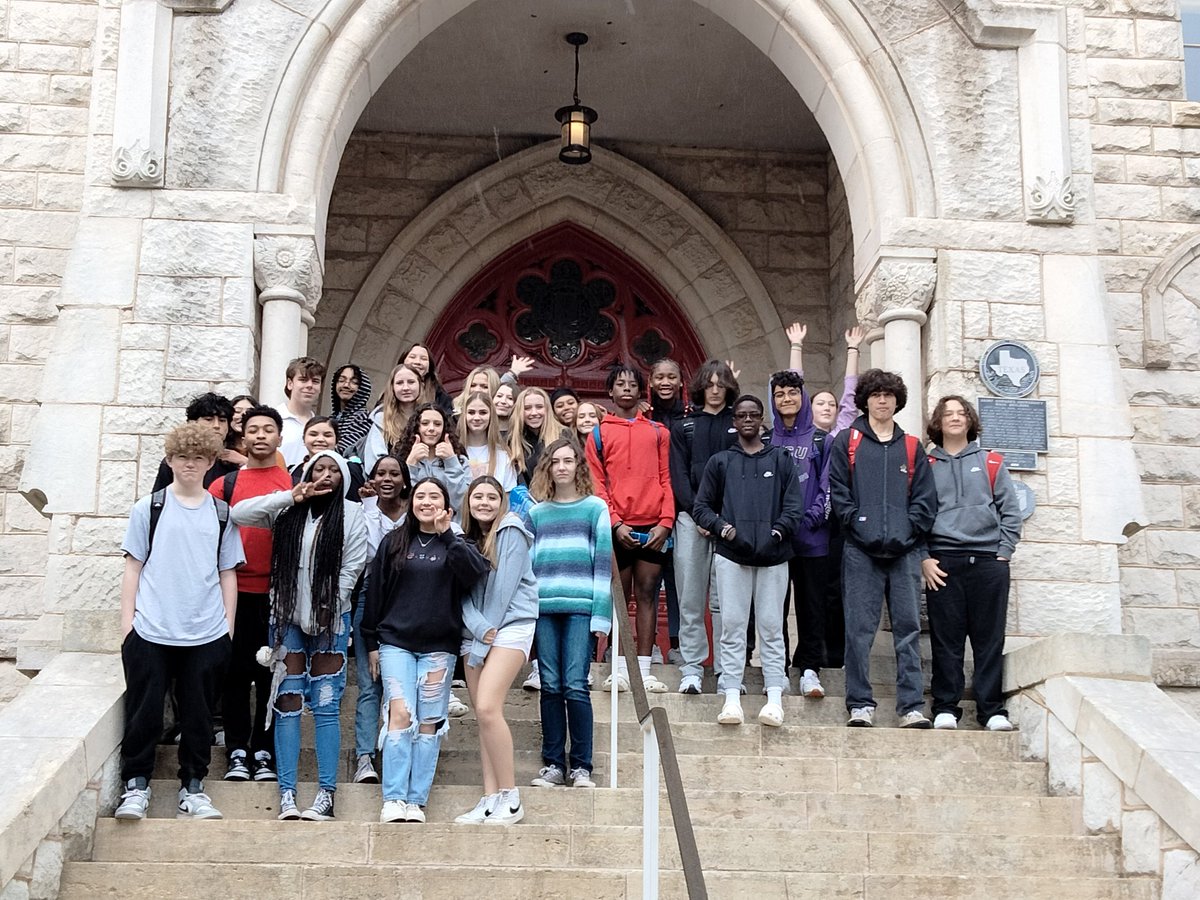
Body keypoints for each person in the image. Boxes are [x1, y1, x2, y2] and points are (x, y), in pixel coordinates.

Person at [114, 422, 244, 822]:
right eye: (183, 457)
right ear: (170, 460)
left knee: (199, 715)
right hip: (151, 628)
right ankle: (135, 786)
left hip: (206, 631)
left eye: (199, 458)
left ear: (209, 463)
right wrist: (127, 627)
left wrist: (227, 628)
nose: (190, 464)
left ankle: (193, 788)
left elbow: (227, 573)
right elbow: (133, 567)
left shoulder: (222, 513)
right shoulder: (148, 507)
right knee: (144, 712)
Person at [229, 450, 368, 820]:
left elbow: (353, 568)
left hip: (330, 622)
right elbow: (238, 514)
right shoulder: (287, 510)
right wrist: (290, 495)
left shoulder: (353, 515)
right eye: (317, 469)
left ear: (343, 479)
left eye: (332, 471)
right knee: (286, 704)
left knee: (325, 706)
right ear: (306, 473)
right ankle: (287, 794)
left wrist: (326, 610)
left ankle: (326, 794)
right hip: (285, 619)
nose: (325, 476)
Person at [363, 477, 490, 824]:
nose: (426, 501)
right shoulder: (394, 542)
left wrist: (447, 533)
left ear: (447, 505)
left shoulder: (457, 542)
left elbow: (475, 574)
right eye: (420, 496)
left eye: (435, 496)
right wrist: (371, 642)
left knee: (429, 723)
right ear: (411, 502)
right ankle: (393, 798)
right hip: (395, 643)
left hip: (439, 646)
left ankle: (416, 800)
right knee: (400, 715)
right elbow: (375, 595)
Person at [828, 369, 937, 729]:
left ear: (897, 400)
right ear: (866, 400)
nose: (882, 400)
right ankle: (859, 703)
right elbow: (839, 493)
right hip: (860, 551)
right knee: (859, 630)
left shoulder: (911, 446)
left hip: (905, 553)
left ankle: (911, 706)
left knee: (908, 630)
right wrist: (858, 524)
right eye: (876, 394)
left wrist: (910, 530)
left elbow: (925, 499)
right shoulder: (848, 440)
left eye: (889, 395)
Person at [693, 395, 803, 727]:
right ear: (734, 421)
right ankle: (730, 699)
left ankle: (774, 700)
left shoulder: (782, 460)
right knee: (733, 627)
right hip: (732, 556)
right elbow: (701, 507)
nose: (748, 420)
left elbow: (793, 507)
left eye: (754, 415)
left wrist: (777, 534)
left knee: (771, 627)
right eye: (741, 415)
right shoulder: (721, 462)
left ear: (762, 420)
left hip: (773, 558)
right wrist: (724, 530)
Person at [922, 395, 1022, 732]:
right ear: (938, 422)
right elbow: (917, 516)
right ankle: (946, 707)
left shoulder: (991, 461)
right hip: (944, 563)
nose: (954, 418)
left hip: (988, 563)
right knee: (945, 640)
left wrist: (1004, 550)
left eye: (960, 412)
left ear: (969, 420)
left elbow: (1010, 510)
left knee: (988, 639)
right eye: (947, 413)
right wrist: (924, 558)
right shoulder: (927, 465)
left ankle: (991, 710)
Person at [208, 406, 294, 784]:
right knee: (234, 675)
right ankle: (237, 750)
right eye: (253, 430)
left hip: (276, 595)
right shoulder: (222, 486)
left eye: (268, 430)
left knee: (270, 675)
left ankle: (264, 749)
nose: (260, 435)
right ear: (243, 438)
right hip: (233, 594)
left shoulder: (292, 482)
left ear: (279, 437)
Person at [527, 438, 613, 789]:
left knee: (575, 685)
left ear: (579, 466)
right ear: (547, 467)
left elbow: (603, 566)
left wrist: (601, 617)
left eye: (568, 461)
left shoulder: (596, 509)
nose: (562, 467)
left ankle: (581, 766)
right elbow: (526, 567)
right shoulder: (535, 513)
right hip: (543, 609)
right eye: (555, 461)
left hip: (581, 608)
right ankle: (552, 764)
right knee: (550, 686)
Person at [585, 364, 674, 693]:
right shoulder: (598, 433)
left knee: (648, 596)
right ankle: (620, 668)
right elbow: (596, 482)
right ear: (610, 392)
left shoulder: (658, 432)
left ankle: (645, 668)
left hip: (653, 526)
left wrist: (666, 523)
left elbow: (666, 478)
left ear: (641, 391)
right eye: (619, 384)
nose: (626, 389)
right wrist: (614, 522)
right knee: (619, 598)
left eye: (632, 384)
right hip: (617, 528)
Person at [455, 476, 538, 825]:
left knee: (488, 706)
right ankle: (489, 800)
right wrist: (476, 630)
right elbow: (457, 593)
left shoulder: (512, 530)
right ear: (468, 502)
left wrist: (483, 633)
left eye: (492, 497)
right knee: (484, 717)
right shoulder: (462, 539)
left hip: (510, 625)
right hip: (475, 630)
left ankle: (511, 796)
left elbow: (502, 592)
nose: (485, 503)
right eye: (478, 497)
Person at [769, 323, 832, 700]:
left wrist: (808, 519)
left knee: (811, 607)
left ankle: (809, 668)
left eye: (793, 392)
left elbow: (828, 488)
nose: (787, 398)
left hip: (812, 539)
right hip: (776, 541)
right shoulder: (765, 438)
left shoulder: (822, 439)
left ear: (802, 396)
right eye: (780, 393)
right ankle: (777, 668)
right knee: (776, 610)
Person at [670, 359, 740, 695]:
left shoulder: (739, 424)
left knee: (727, 601)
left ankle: (728, 671)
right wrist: (698, 514)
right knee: (691, 597)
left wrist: (721, 517)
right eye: (709, 385)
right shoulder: (684, 426)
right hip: (691, 520)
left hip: (730, 522)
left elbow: (742, 472)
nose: (714, 391)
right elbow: (679, 475)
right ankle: (692, 667)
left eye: (720, 384)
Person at [801, 325, 865, 669]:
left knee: (834, 590)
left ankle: (834, 654)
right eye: (820, 403)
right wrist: (797, 345)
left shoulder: (842, 434)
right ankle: (807, 653)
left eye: (830, 403)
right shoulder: (801, 437)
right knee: (810, 591)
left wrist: (852, 349)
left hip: (837, 522)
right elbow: (791, 385)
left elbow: (851, 398)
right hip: (809, 523)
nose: (827, 407)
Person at [351, 454, 411, 784]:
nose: (387, 478)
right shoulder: (364, 510)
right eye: (380, 473)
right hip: (369, 594)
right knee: (368, 682)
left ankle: (396, 752)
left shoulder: (414, 511)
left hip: (407, 597)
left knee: (399, 684)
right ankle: (364, 757)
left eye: (394, 473)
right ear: (372, 478)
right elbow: (363, 556)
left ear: (405, 479)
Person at [150, 392, 240, 491]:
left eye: (222, 420)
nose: (216, 425)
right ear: (193, 423)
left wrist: (244, 462)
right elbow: (159, 498)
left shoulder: (237, 459)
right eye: (209, 419)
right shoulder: (178, 459)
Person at [398, 403, 472, 518]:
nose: (431, 428)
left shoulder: (460, 461)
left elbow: (461, 504)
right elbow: (402, 502)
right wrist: (410, 465)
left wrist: (451, 462)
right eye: (425, 423)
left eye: (437, 424)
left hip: (450, 526)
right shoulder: (402, 459)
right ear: (416, 427)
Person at [363, 363, 423, 474]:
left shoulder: (428, 418)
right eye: (400, 383)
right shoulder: (382, 419)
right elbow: (374, 461)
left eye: (411, 382)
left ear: (420, 385)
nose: (406, 388)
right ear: (392, 388)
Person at [288, 416, 366, 499]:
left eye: (327, 435)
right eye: (313, 434)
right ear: (303, 439)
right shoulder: (292, 470)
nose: (320, 439)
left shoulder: (350, 469)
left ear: (337, 440)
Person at [458, 390, 518, 493]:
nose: (477, 418)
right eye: (471, 412)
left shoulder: (503, 455)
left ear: (491, 416)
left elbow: (508, 495)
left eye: (483, 412)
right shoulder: (453, 453)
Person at [509, 386, 564, 486]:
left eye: (539, 407)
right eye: (527, 408)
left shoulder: (564, 435)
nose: (534, 413)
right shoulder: (512, 441)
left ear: (547, 409)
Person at [276, 356, 326, 467]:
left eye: (315, 381)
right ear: (290, 384)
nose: (309, 385)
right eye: (303, 380)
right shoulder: (273, 420)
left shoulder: (321, 426)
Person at [399, 343, 455, 420]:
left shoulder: (440, 396)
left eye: (423, 358)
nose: (418, 362)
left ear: (429, 367)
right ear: (403, 362)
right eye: (412, 357)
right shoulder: (392, 391)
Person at [329, 364, 374, 458]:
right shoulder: (331, 418)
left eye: (354, 382)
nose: (346, 385)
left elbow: (344, 449)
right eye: (341, 380)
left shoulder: (365, 418)